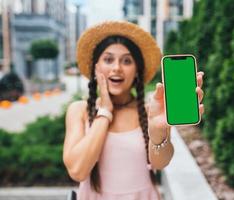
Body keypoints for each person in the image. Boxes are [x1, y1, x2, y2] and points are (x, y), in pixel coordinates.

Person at [63, 21, 205, 200]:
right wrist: (105, 112)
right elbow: (77, 171)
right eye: (108, 59)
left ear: (137, 70)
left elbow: (160, 162)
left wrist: (158, 132)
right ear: (96, 67)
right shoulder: (79, 110)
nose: (117, 68)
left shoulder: (150, 112)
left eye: (127, 61)